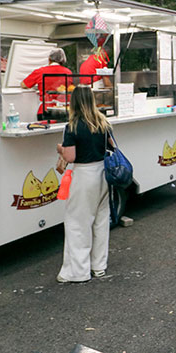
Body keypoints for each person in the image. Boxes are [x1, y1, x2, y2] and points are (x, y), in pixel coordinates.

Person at [55, 85, 112, 282]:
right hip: (103, 174)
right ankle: (99, 266)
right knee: (100, 221)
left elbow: (71, 156)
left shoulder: (72, 126)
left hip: (83, 175)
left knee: (77, 224)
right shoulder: (103, 122)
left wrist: (60, 149)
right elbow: (111, 146)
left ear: (74, 102)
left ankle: (78, 272)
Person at [21, 48, 73, 120]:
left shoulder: (40, 71)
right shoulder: (68, 72)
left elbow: (23, 85)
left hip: (45, 110)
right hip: (63, 110)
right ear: (63, 60)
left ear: (49, 59)